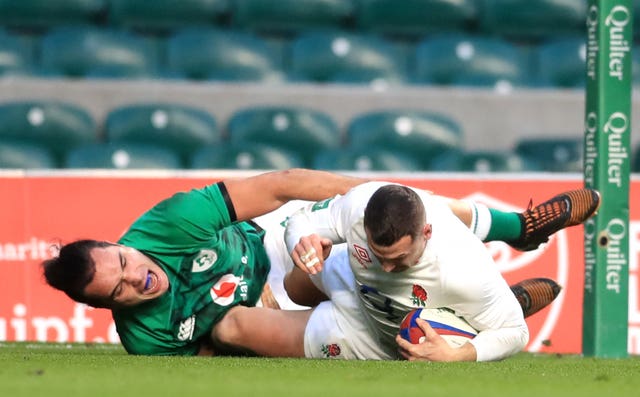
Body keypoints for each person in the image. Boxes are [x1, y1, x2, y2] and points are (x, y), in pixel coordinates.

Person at [41, 168, 592, 357]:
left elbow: (281, 186)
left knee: (397, 206)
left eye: (124, 260)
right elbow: (211, 353)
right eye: (119, 292)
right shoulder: (146, 338)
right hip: (266, 314)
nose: (137, 276)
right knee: (233, 324)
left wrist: (369, 197)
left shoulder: (169, 222)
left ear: (122, 244)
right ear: (105, 308)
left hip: (276, 245)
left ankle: (519, 229)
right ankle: (474, 320)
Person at [283, 182, 600, 361]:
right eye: (382, 255)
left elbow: (516, 333)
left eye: (399, 257)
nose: (388, 267)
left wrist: (459, 355)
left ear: (427, 234)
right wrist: (302, 241)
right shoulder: (360, 206)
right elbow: (301, 217)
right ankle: (518, 229)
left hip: (385, 337)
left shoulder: (465, 269)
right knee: (292, 287)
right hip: (354, 278)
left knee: (239, 328)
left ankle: (517, 236)